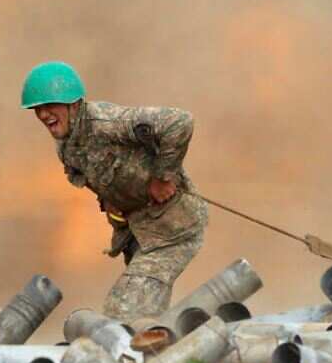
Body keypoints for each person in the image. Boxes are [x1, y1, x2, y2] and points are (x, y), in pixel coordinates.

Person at [21, 61, 208, 322]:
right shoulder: (67, 147)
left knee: (124, 311)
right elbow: (99, 177)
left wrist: (163, 177)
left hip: (172, 228)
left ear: (73, 103)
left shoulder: (107, 122)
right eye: (37, 109)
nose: (43, 115)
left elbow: (179, 122)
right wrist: (111, 202)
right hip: (139, 233)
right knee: (146, 313)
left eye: (49, 106)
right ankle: (167, 352)